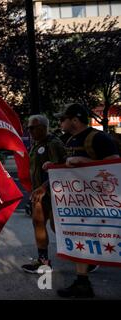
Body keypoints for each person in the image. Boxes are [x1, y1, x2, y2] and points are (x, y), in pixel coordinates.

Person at [33, 103, 119, 298]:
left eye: (63, 119)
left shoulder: (99, 138)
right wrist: (55, 166)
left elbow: (115, 165)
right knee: (76, 235)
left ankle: (87, 274)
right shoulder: (70, 140)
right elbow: (70, 165)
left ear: (75, 120)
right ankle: (82, 282)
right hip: (77, 202)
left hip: (99, 202)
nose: (60, 122)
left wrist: (87, 163)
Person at [21, 115, 66, 273]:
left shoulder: (53, 144)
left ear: (42, 127)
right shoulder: (36, 145)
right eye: (28, 128)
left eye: (32, 127)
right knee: (38, 223)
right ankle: (43, 262)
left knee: (58, 227)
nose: (29, 131)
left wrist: (44, 187)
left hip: (56, 193)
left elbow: (61, 168)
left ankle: (86, 259)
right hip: (39, 194)